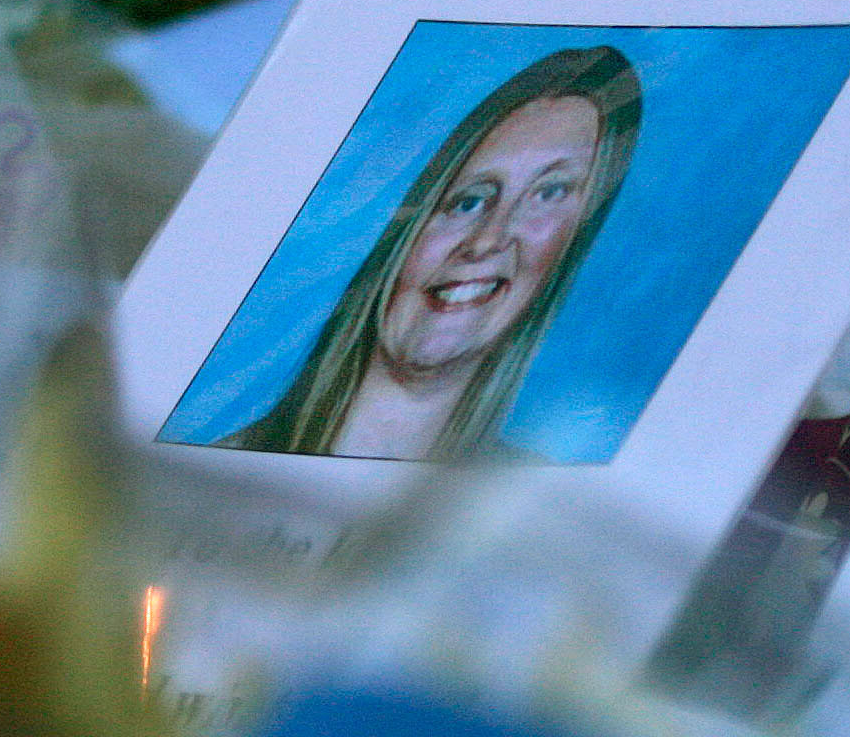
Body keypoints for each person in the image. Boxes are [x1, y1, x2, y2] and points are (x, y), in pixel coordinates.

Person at [223, 44, 643, 460]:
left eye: (548, 193)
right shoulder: (213, 473)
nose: (486, 240)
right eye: (468, 201)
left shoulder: (539, 505)